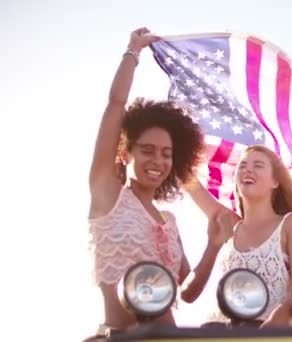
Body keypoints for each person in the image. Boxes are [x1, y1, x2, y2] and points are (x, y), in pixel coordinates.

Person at [87, 27, 231, 335]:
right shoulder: (108, 194)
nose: (158, 161)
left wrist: (214, 246)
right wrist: (133, 52)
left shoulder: (169, 221)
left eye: (166, 154)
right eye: (148, 150)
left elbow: (188, 292)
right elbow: (115, 106)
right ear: (126, 153)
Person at [183, 144, 292, 327]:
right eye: (242, 166)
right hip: (219, 330)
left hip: (269, 333)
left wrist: (271, 327)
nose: (247, 170)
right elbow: (190, 184)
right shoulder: (230, 225)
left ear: (275, 182)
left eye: (258, 165)